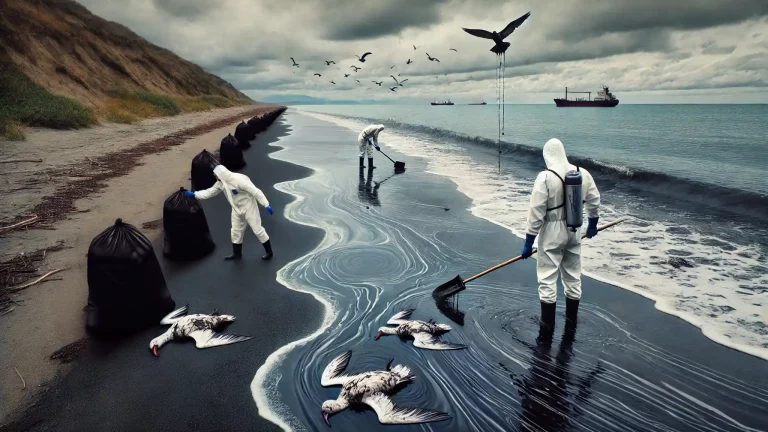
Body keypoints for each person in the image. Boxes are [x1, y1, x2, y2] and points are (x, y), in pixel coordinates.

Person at [521, 138, 600, 321]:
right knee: (573, 276)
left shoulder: (546, 177)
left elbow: (536, 212)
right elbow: (594, 200)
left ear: (547, 155)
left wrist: (528, 242)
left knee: (547, 278)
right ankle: (572, 320)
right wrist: (593, 224)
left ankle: (547, 326)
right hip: (575, 229)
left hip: (552, 231)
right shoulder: (583, 173)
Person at [184, 165, 274, 261]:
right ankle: (237, 254)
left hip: (249, 207)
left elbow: (255, 191)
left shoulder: (239, 180)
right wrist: (195, 194)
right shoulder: (221, 183)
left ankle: (269, 251)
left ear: (221, 174)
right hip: (236, 209)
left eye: (216, 175)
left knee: (257, 229)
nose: (215, 177)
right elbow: (209, 192)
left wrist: (266, 204)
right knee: (236, 231)